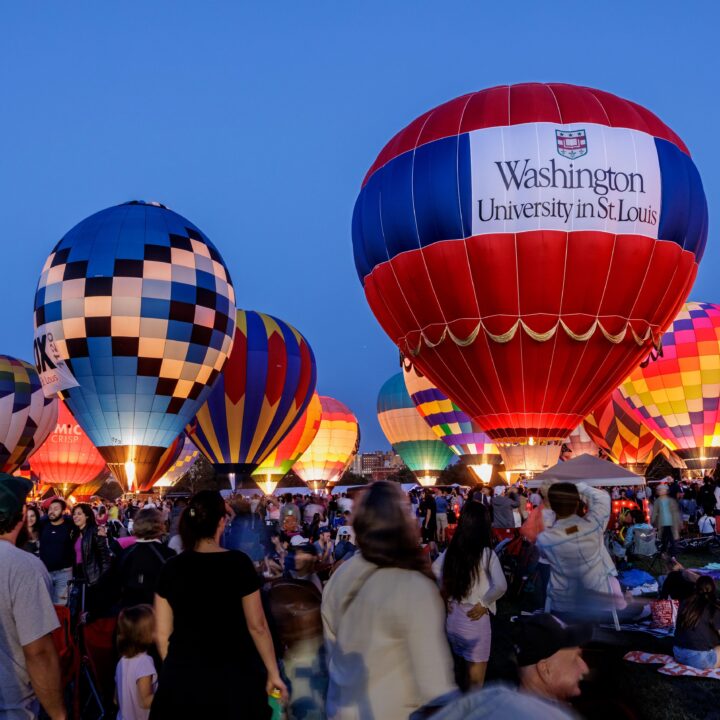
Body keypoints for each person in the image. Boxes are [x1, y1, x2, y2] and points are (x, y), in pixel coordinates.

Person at [322, 481, 456, 719]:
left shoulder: (341, 575)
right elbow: (435, 688)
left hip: (341, 707)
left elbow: (333, 649)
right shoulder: (413, 587)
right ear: (401, 524)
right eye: (409, 512)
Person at [151, 490, 287, 718]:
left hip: (183, 681)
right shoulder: (239, 564)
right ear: (222, 522)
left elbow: (162, 633)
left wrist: (179, 672)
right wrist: (273, 673)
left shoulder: (171, 568)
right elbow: (258, 626)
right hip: (233, 678)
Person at [0, 475, 66, 720]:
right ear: (22, 514)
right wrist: (59, 714)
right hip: (12, 709)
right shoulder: (24, 567)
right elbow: (38, 652)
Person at [433, 502, 507, 687]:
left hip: (453, 620)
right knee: (475, 685)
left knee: (459, 677)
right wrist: (485, 602)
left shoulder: (452, 551)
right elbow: (501, 586)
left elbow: (434, 569)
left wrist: (446, 595)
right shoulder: (487, 554)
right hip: (474, 621)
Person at [536, 482, 624, 617]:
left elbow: (561, 535)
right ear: (577, 503)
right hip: (594, 600)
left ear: (553, 507)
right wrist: (576, 487)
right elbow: (603, 498)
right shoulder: (593, 527)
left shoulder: (545, 540)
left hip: (562, 602)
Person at [118, 508, 176, 608]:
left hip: (130, 615)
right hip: (158, 614)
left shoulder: (125, 553)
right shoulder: (167, 554)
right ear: (160, 525)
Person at [115, 604, 157, 720]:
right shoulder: (145, 662)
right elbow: (145, 701)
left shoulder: (122, 662)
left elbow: (116, 699)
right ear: (145, 633)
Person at [71, 503, 113, 615]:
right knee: (77, 609)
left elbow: (105, 558)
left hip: (92, 577)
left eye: (79, 514)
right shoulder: (75, 533)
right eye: (74, 514)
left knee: (89, 610)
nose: (75, 516)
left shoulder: (95, 531)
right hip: (78, 576)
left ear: (87, 516)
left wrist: (101, 580)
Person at [673, 575, 720, 669]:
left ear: (696, 587)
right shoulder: (714, 607)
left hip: (678, 653)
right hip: (699, 659)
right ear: (714, 589)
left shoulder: (685, 602)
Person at [38, 497, 76, 605]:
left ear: (63, 511)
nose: (52, 511)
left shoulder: (70, 525)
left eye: (56, 508)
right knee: (45, 604)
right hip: (46, 571)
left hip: (64, 573)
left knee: (61, 605)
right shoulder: (43, 525)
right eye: (50, 508)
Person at [651, 484, 681, 554]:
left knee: (669, 538)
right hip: (663, 523)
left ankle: (669, 553)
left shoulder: (670, 500)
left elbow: (675, 512)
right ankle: (666, 552)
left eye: (661, 490)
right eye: (659, 490)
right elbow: (655, 512)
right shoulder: (658, 501)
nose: (660, 491)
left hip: (670, 523)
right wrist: (653, 522)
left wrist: (678, 522)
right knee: (665, 538)